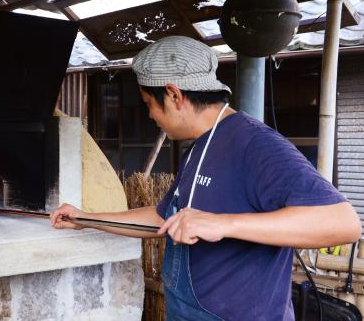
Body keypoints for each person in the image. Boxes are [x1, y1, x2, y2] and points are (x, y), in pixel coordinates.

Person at [50, 36, 361, 320]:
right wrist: (85, 218)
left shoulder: (255, 144)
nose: (149, 116)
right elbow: (163, 218)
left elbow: (343, 222)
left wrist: (222, 223)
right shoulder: (198, 147)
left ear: (173, 95)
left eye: (148, 104)